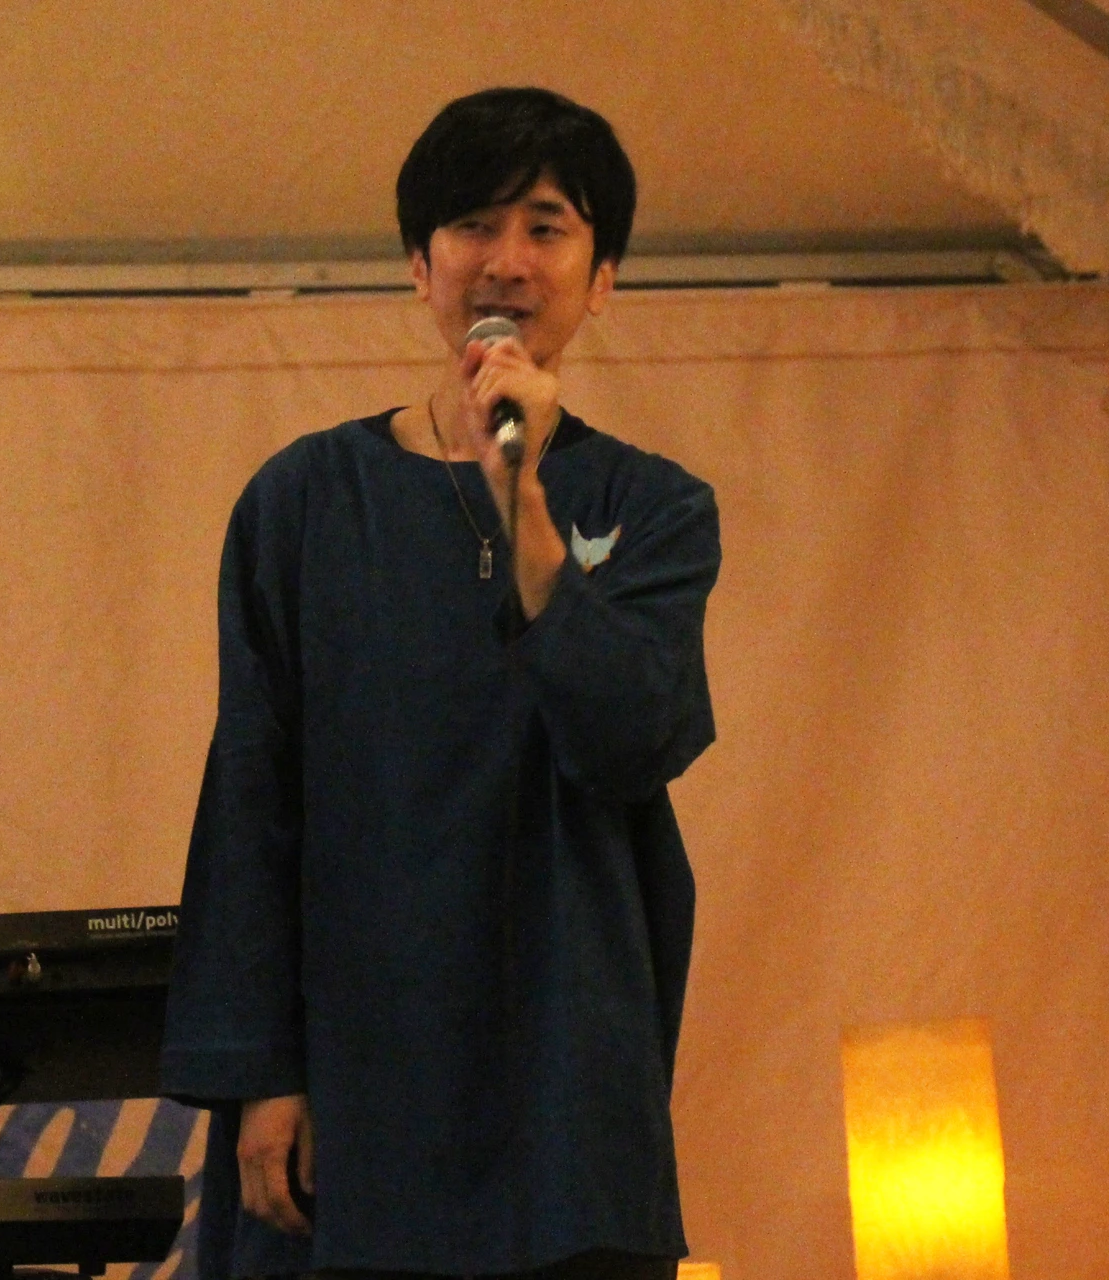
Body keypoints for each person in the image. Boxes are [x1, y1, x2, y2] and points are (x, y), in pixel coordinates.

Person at [161, 86, 720, 1280]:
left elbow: (631, 734)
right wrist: (263, 1071)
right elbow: (251, 796)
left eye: (546, 227)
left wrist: (521, 497)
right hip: (351, 1090)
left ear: (602, 277)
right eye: (473, 225)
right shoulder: (303, 501)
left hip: (567, 1095)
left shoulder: (656, 507)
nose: (507, 259)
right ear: (421, 266)